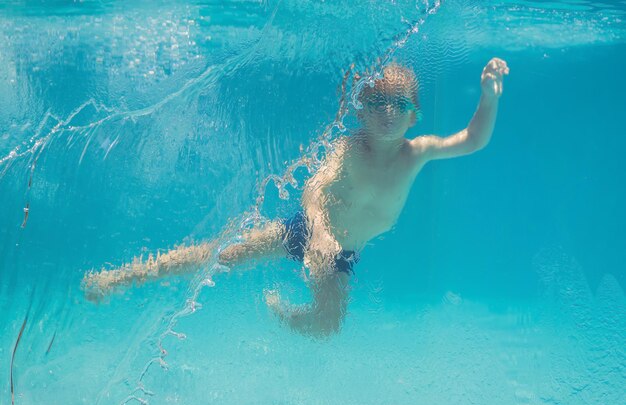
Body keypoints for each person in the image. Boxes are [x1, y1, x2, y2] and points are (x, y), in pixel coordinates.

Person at [82, 58, 509, 338]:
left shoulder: (418, 152)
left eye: (400, 104)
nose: (388, 111)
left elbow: (472, 139)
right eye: (377, 100)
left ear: (415, 113)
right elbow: (314, 189)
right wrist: (319, 232)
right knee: (219, 256)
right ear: (360, 109)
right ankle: (121, 278)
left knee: (326, 327)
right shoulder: (349, 149)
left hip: (343, 254)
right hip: (305, 231)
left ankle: (278, 314)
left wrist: (488, 99)